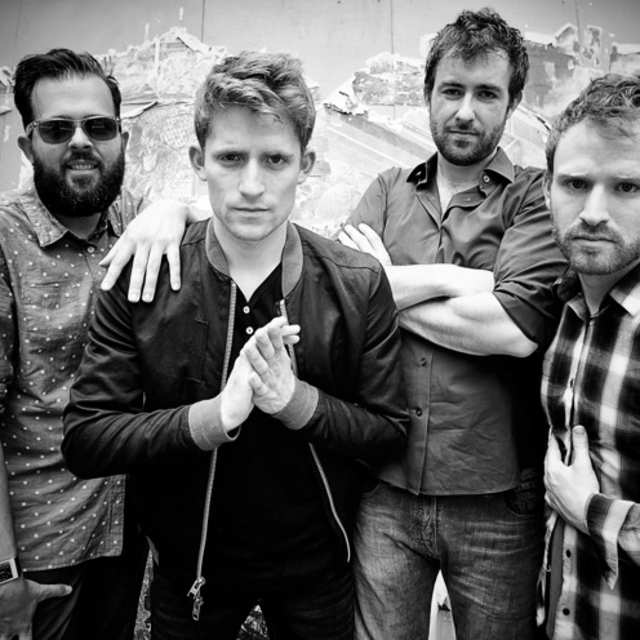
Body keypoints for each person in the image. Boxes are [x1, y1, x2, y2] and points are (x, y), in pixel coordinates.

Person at [61, 50, 409, 640]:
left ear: (306, 165)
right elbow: (87, 438)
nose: (252, 185)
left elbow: (389, 431)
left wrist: (296, 402)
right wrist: (214, 417)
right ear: (199, 162)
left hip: (316, 571)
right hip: (190, 572)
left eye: (275, 159)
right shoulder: (145, 274)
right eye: (230, 158)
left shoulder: (356, 282)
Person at [338, 8, 566, 640]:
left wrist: (389, 286)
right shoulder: (387, 189)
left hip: (498, 501)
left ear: (512, 102)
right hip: (383, 489)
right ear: (428, 94)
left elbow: (512, 329)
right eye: (452, 90)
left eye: (487, 94)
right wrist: (464, 281)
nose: (466, 111)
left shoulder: (535, 195)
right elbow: (344, 302)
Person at [0, 48, 195, 640]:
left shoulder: (141, 222)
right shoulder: (5, 240)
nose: (81, 141)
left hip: (127, 532)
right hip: (39, 546)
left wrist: (176, 207)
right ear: (28, 145)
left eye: (99, 126)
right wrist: (3, 574)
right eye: (58, 129)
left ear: (122, 139)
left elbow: (236, 214)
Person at [541, 74, 640, 639]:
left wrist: (593, 512)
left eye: (627, 186)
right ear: (548, 189)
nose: (595, 211)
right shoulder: (567, 307)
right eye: (576, 183)